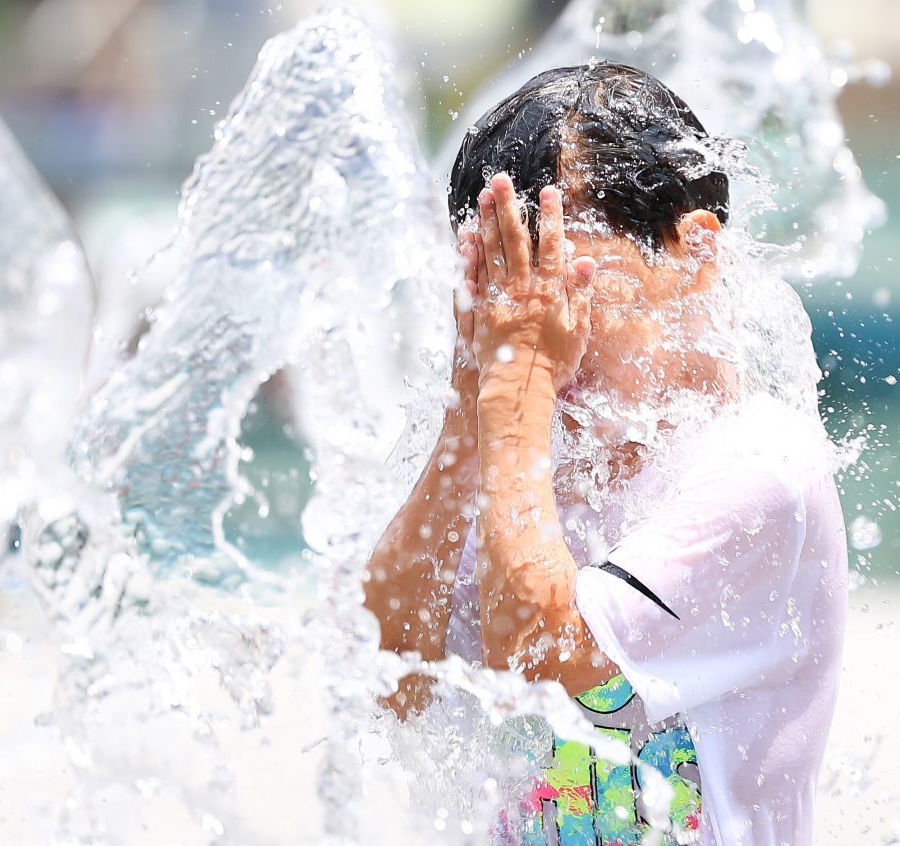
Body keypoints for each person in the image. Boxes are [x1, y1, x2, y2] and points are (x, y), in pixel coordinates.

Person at [363, 62, 847, 846]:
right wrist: (470, 410)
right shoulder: (534, 466)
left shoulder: (761, 468)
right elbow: (390, 678)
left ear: (693, 254)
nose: (544, 330)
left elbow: (540, 662)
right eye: (507, 285)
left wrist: (514, 389)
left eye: (567, 285)